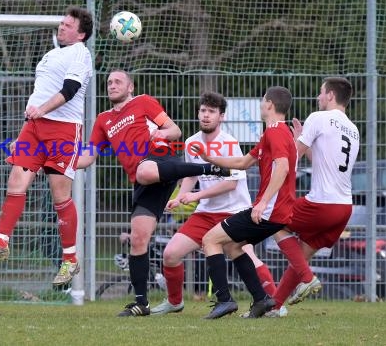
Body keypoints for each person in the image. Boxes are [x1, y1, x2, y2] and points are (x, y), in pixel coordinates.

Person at [77, 70, 231, 317]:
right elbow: (88, 157)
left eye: (118, 82)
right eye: (109, 83)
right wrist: (60, 163)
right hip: (144, 180)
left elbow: (175, 131)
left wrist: (162, 133)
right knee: (138, 239)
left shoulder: (143, 101)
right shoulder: (103, 120)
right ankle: (141, 303)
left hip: (160, 159)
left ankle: (208, 167)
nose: (112, 85)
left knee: (143, 171)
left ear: (130, 87)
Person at [0, 6, 94, 287]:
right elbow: (40, 92)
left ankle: (70, 260)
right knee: (15, 182)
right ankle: (1, 243)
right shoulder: (52, 54)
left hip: (63, 130)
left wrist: (41, 110)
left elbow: (69, 90)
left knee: (59, 196)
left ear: (81, 34)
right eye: (62, 23)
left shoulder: (81, 53)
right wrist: (23, 131)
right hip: (34, 128)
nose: (62, 27)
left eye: (68, 25)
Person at [149, 91, 278, 316]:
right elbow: (192, 175)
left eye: (211, 111)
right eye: (203, 110)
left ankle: (274, 305)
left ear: (222, 117)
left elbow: (231, 184)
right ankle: (174, 302)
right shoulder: (191, 142)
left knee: (246, 254)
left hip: (234, 212)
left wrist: (195, 197)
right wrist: (180, 197)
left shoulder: (229, 143)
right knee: (170, 254)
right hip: (206, 213)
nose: (206, 115)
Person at [192, 86, 296, 319]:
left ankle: (224, 300)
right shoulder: (277, 133)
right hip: (277, 212)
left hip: (269, 211)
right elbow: (242, 161)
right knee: (232, 246)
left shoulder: (275, 132)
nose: (260, 105)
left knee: (210, 239)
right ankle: (261, 300)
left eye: (262, 101)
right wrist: (209, 158)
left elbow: (283, 167)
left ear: (269, 104)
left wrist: (262, 204)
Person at [271, 77, 359, 310]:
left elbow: (292, 156)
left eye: (321, 93)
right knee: (301, 255)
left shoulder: (318, 118)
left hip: (323, 203)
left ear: (330, 95)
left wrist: (292, 142)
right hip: (344, 208)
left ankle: (308, 279)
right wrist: (304, 140)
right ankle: (275, 306)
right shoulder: (353, 129)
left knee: (273, 221)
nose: (318, 97)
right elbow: (324, 161)